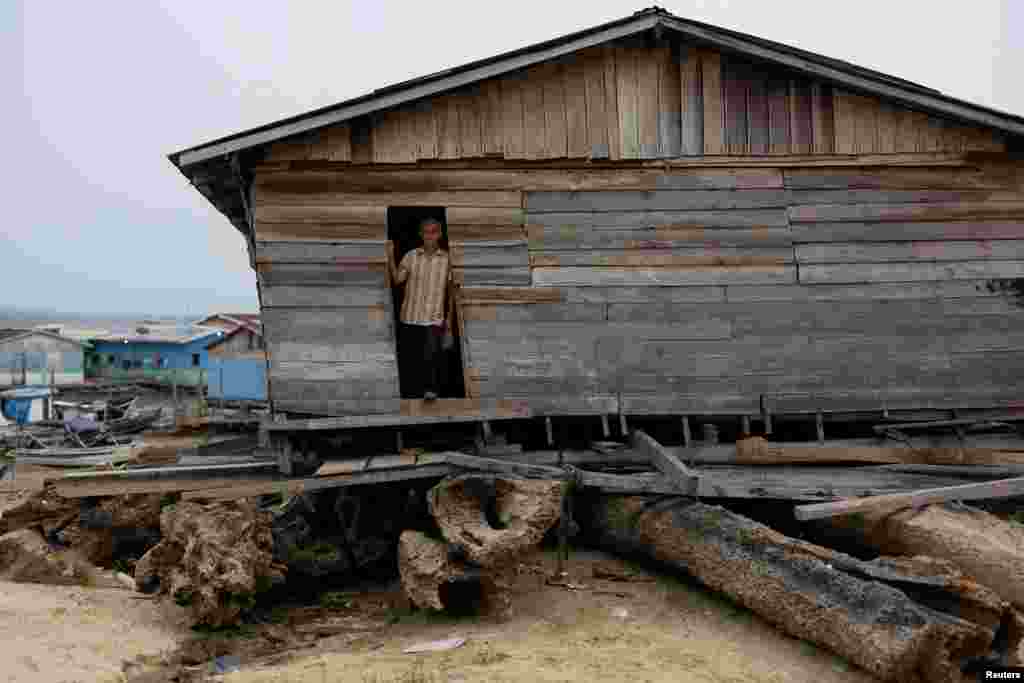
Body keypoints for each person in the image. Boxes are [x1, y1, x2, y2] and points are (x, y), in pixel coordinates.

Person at [386, 218, 454, 401]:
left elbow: (452, 291)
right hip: (410, 315)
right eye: (426, 232)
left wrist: (449, 319)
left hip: (434, 317)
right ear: (420, 235)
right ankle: (412, 394)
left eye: (433, 232)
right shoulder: (411, 256)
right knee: (412, 358)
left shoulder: (447, 259)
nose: (429, 236)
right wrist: (391, 256)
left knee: (431, 355)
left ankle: (430, 391)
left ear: (440, 234)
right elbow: (397, 279)